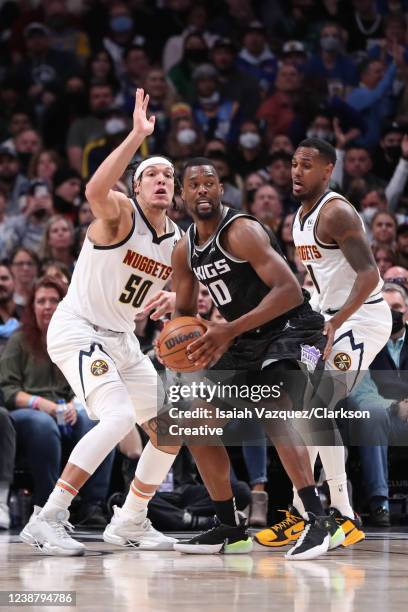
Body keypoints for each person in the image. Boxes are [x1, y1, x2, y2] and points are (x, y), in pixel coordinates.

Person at [19, 89, 183, 556]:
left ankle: (130, 519)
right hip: (79, 328)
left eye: (168, 176)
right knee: (117, 417)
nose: (161, 181)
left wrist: (175, 294)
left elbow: (193, 286)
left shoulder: (177, 240)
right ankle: (48, 517)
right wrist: (136, 137)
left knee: (171, 431)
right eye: (151, 174)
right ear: (134, 187)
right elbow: (93, 190)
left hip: (122, 340)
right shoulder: (120, 215)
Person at [170, 157, 344, 560]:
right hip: (247, 337)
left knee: (272, 404)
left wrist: (227, 330)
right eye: (193, 185)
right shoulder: (185, 250)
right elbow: (183, 313)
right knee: (196, 421)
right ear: (183, 194)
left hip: (297, 330)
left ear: (221, 189)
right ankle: (229, 527)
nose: (202, 191)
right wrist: (185, 346)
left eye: (209, 183)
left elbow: (290, 291)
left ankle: (318, 522)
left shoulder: (242, 231)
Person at [256, 137, 392, 549]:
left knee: (316, 404)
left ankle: (342, 515)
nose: (297, 171)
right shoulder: (300, 215)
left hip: (361, 318)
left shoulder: (336, 212)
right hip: (326, 319)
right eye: (294, 164)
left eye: (307, 165)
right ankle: (307, 514)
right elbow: (322, 277)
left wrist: (335, 321)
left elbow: (369, 275)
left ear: (328, 170)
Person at [0, 276, 113, 525]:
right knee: (43, 424)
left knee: (98, 423)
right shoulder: (19, 340)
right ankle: (47, 506)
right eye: (41, 301)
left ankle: (92, 506)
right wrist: (44, 405)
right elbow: (7, 390)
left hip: (70, 408)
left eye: (54, 300)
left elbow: (91, 378)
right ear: (33, 307)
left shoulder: (76, 339)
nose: (48, 306)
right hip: (28, 412)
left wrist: (75, 403)